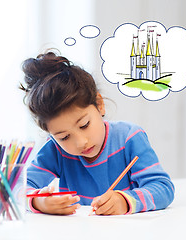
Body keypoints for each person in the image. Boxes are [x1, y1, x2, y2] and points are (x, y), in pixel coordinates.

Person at [20, 50, 174, 215]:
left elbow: (163, 189)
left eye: (84, 125)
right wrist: (38, 201)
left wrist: (125, 201)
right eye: (64, 137)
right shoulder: (55, 150)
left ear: (99, 104)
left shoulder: (129, 138)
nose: (80, 142)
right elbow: (15, 188)